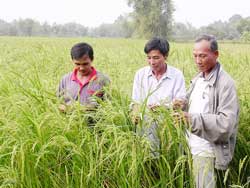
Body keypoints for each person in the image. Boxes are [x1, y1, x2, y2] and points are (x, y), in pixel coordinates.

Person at [181, 35, 239, 188]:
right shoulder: (198, 79)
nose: (198, 61)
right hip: (191, 147)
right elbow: (194, 106)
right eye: (195, 56)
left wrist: (192, 120)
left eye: (202, 56)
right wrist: (181, 105)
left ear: (216, 54)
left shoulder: (225, 84)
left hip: (206, 151)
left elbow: (226, 124)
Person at [131, 37, 186, 153]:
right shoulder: (140, 75)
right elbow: (136, 101)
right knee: (149, 160)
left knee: (168, 160)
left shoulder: (176, 75)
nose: (152, 62)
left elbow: (180, 103)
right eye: (149, 58)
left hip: (169, 130)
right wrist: (135, 114)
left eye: (156, 58)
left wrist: (163, 108)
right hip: (146, 130)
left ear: (165, 56)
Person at [57, 42, 110, 111]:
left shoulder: (103, 80)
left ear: (92, 59)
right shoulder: (65, 79)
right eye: (77, 64)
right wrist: (67, 108)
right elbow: (58, 102)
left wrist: (87, 109)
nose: (81, 68)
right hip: (69, 120)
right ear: (72, 60)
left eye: (85, 64)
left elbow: (109, 106)